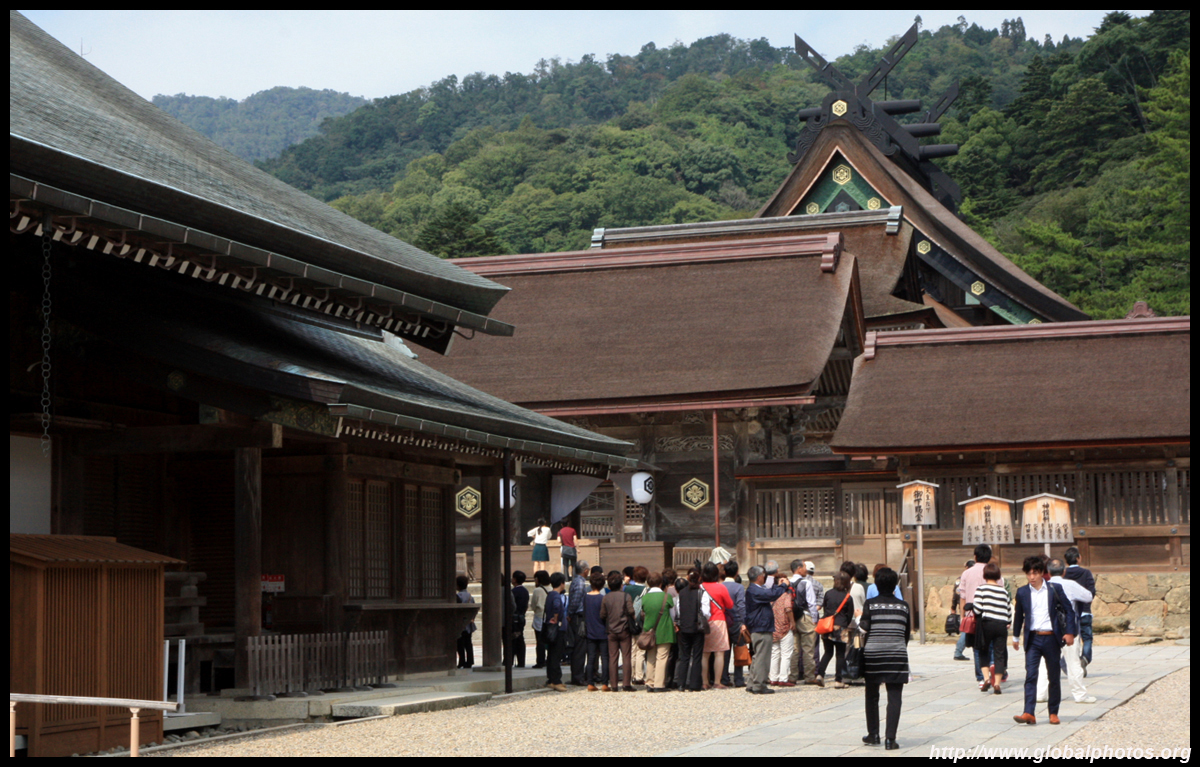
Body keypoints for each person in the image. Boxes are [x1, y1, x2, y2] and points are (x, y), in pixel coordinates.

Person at [1012, 556, 1078, 725]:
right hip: (1033, 638)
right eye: (1029, 573)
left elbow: (1069, 611)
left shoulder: (1054, 589)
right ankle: (1029, 712)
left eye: (1035, 573)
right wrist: (1015, 636)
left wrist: (1070, 632)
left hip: (1051, 638)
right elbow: (1019, 615)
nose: (1032, 577)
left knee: (1053, 676)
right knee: (1031, 675)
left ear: (1042, 573)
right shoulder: (1023, 592)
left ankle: (1053, 712)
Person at [860, 567, 910, 750]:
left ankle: (873, 734)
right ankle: (890, 739)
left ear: (877, 584)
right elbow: (906, 634)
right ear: (895, 585)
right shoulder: (904, 606)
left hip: (873, 654)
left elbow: (864, 628)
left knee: (872, 694)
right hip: (897, 654)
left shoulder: (870, 604)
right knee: (895, 696)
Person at [1040, 559, 1096, 704]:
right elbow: (1088, 596)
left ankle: (1040, 693)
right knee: (1073, 662)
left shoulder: (1043, 586)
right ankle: (1079, 695)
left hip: (1047, 629)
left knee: (1044, 663)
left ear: (1048, 572)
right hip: (1068, 628)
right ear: (1064, 571)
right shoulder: (1070, 585)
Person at [959, 545, 1004, 687]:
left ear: (975, 557)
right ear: (989, 557)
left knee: (977, 646)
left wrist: (962, 616)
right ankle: (993, 665)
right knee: (993, 646)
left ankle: (981, 677)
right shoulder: (995, 573)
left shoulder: (966, 573)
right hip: (994, 614)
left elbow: (963, 596)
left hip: (974, 615)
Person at [744, 565, 788, 694]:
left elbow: (769, 592)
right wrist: (784, 586)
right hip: (761, 626)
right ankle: (759, 685)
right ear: (759, 577)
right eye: (763, 575)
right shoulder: (755, 590)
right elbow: (771, 595)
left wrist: (777, 585)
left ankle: (752, 683)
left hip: (759, 625)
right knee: (762, 657)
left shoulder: (755, 589)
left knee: (758, 656)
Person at [972, 562, 1012, 694]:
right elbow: (1008, 611)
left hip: (986, 624)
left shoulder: (981, 589)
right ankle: (997, 683)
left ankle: (986, 679)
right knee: (999, 654)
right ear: (998, 576)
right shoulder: (1004, 591)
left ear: (984, 575)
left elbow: (977, 609)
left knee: (983, 651)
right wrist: (1008, 622)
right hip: (1001, 625)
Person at [639, 571, 676, 692]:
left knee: (650, 657)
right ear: (661, 583)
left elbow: (642, 613)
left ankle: (649, 682)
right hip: (665, 629)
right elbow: (672, 614)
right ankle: (659, 684)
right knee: (662, 657)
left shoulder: (645, 598)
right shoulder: (666, 597)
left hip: (649, 630)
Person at [816, 571, 854, 688]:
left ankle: (820, 674)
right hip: (841, 626)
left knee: (828, 652)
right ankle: (838, 680)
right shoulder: (848, 597)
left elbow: (826, 608)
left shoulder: (828, 594)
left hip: (827, 626)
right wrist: (845, 624)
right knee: (840, 654)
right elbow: (849, 615)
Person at [700, 562, 734, 690]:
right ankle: (717, 681)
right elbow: (730, 605)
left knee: (705, 653)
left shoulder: (700, 587)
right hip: (718, 619)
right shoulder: (721, 588)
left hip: (703, 621)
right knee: (719, 653)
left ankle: (704, 681)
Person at [674, 569, 709, 691]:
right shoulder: (702, 593)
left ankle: (681, 683)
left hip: (684, 626)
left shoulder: (682, 593)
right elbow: (706, 612)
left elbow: (678, 610)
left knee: (684, 656)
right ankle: (694, 684)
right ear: (699, 579)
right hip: (697, 627)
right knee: (697, 656)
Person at [1061, 546, 1095, 671]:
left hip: (1069, 613)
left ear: (1066, 561)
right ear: (1079, 558)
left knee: (1071, 640)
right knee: (1087, 638)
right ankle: (1085, 658)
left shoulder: (1064, 574)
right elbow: (1091, 592)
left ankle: (1066, 662)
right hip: (1085, 611)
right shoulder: (1086, 573)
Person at [600, 571, 635, 691]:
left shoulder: (606, 597)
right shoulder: (626, 596)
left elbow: (602, 614)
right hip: (624, 629)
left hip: (611, 630)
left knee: (613, 657)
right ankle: (626, 684)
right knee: (626, 656)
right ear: (621, 585)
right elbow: (631, 611)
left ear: (609, 586)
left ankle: (614, 685)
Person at [787, 559, 819, 686]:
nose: (806, 569)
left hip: (791, 617)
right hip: (805, 617)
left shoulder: (787, 583)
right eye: (804, 567)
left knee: (794, 648)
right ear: (799, 568)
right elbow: (811, 603)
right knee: (808, 648)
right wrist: (814, 619)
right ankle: (809, 676)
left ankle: (792, 676)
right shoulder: (806, 583)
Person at [719, 561, 747, 688]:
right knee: (739, 649)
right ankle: (738, 679)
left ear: (724, 572)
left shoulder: (720, 586)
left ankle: (724, 678)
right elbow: (741, 605)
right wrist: (743, 622)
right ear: (737, 573)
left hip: (723, 620)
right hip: (736, 621)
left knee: (725, 651)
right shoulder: (739, 587)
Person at [769, 564, 796, 687]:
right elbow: (788, 608)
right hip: (784, 626)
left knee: (775, 653)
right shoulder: (786, 595)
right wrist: (792, 622)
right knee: (786, 653)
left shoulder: (771, 595)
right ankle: (783, 678)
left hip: (773, 627)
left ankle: (773, 677)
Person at [583, 572, 609, 690]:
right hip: (602, 631)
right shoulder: (603, 598)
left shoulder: (585, 598)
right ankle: (605, 683)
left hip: (590, 630)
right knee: (604, 658)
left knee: (591, 658)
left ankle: (590, 682)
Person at [624, 566, 650, 685]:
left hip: (629, 621)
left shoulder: (627, 588)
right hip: (641, 622)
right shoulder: (646, 590)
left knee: (632, 649)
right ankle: (639, 676)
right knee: (640, 651)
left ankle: (631, 674)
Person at [543, 572, 568, 692]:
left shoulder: (550, 594)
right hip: (557, 629)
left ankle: (551, 679)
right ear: (561, 583)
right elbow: (557, 607)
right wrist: (556, 618)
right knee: (556, 655)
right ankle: (556, 680)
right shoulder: (557, 596)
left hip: (550, 629)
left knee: (551, 654)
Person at [566, 559, 590, 686]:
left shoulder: (575, 581)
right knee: (580, 648)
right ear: (585, 571)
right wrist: (570, 613)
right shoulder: (580, 583)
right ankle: (578, 677)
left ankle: (576, 676)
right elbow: (575, 601)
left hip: (576, 616)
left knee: (577, 648)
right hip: (578, 617)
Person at [951, 559, 973, 661]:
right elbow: (957, 594)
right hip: (968, 607)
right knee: (966, 630)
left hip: (965, 606)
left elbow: (956, 595)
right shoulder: (963, 579)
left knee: (967, 630)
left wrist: (953, 606)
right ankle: (958, 651)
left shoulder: (962, 578)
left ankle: (958, 651)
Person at [529, 569, 551, 669]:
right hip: (550, 617)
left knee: (540, 641)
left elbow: (533, 605)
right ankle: (550, 660)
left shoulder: (537, 590)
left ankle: (540, 661)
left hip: (539, 617)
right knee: (550, 640)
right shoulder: (552, 588)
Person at [805, 561, 824, 671]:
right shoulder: (818, 584)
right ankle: (815, 668)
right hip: (814, 616)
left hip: (801, 615)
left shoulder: (799, 583)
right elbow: (820, 603)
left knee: (800, 643)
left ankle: (801, 669)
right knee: (814, 643)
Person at [455, 574, 475, 669]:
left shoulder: (457, 596)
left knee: (460, 643)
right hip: (469, 623)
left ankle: (462, 661)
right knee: (468, 643)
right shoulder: (470, 596)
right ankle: (470, 661)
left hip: (460, 622)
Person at [510, 570, 530, 668]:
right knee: (520, 638)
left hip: (514, 617)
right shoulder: (525, 591)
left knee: (512, 639)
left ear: (514, 579)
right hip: (521, 617)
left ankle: (510, 660)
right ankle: (521, 661)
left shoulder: (513, 592)